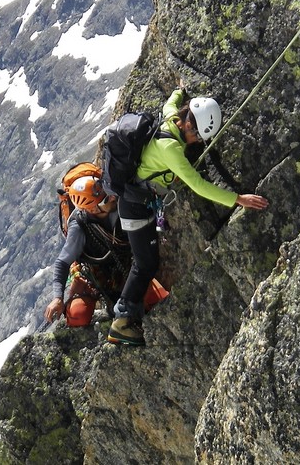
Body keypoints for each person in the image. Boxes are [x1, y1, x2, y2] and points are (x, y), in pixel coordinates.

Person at [107, 85, 269, 346]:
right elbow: (197, 184)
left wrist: (179, 92)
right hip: (135, 207)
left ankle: (127, 316)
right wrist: (238, 199)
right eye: (198, 136)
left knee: (146, 261)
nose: (197, 142)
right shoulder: (170, 148)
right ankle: (122, 320)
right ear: (189, 126)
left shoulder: (171, 119)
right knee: (145, 263)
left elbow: (169, 105)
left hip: (136, 203)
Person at [44, 174, 129, 327]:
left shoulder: (119, 203)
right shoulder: (79, 226)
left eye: (108, 193)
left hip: (127, 261)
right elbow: (63, 262)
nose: (112, 198)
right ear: (92, 209)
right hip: (93, 271)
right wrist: (58, 297)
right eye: (105, 199)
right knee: (78, 315)